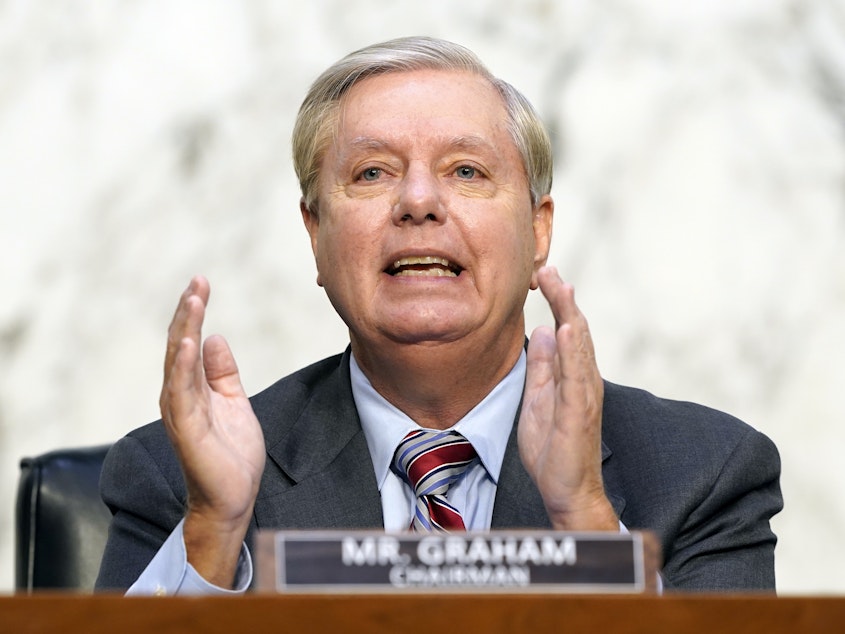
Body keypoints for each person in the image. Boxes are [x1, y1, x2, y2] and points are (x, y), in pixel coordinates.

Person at [95, 36, 782, 594]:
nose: (418, 201)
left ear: (537, 230)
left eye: (464, 171)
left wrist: (583, 522)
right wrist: (213, 530)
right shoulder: (176, 477)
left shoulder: (703, 472)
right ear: (315, 235)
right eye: (371, 173)